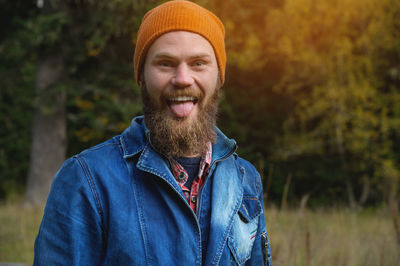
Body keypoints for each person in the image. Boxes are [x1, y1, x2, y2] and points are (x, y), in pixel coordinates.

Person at [33, 1, 273, 265]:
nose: (182, 78)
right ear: (142, 77)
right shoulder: (86, 180)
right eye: (165, 64)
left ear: (219, 77)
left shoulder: (245, 180)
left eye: (198, 63)